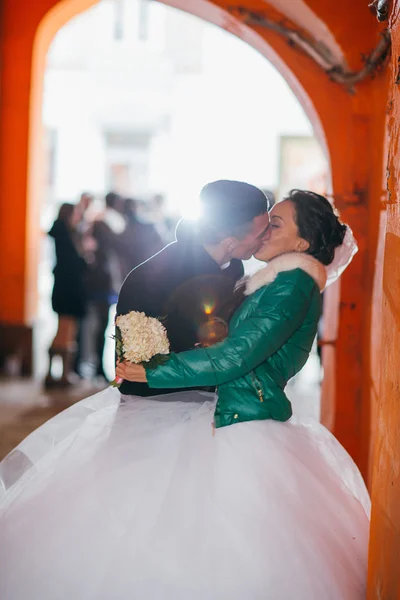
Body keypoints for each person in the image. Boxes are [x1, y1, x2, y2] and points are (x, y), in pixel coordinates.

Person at [0, 190, 368, 600]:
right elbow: (160, 352)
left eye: (275, 223)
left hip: (235, 415)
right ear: (233, 235)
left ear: (302, 243)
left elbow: (236, 354)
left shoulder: (286, 283)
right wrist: (147, 370)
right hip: (169, 414)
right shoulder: (171, 275)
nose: (265, 231)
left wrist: (160, 369)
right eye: (265, 223)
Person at [117, 180, 270, 397]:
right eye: (262, 233)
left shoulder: (234, 265)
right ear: (229, 243)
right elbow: (138, 368)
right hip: (161, 405)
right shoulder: (150, 280)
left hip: (211, 397)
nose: (268, 238)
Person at [44, 203, 88, 388]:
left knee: (62, 330)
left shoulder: (61, 233)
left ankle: (54, 373)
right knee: (66, 330)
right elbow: (76, 261)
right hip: (69, 288)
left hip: (62, 287)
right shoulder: (66, 235)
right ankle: (62, 374)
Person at [86, 191, 126, 380]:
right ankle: (98, 366)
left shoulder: (101, 223)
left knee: (101, 327)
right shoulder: (105, 223)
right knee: (101, 326)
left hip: (103, 286)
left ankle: (99, 366)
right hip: (103, 287)